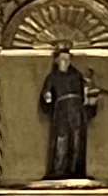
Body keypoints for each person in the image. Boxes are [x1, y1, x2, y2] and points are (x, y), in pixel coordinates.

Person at [40, 45, 99, 179]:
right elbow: (47, 95)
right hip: (62, 112)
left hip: (77, 112)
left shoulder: (77, 75)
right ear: (57, 61)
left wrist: (89, 100)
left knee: (78, 140)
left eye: (67, 59)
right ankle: (59, 170)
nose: (65, 62)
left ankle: (76, 170)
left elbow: (85, 92)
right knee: (62, 139)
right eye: (62, 59)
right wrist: (47, 97)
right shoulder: (53, 77)